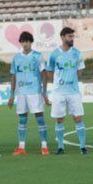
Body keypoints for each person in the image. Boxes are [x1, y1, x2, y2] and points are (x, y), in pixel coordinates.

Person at [7, 31, 50, 155]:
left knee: (40, 119)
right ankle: (21, 147)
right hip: (21, 94)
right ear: (20, 42)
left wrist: (44, 92)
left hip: (34, 92)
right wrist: (11, 95)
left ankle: (44, 146)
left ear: (31, 42)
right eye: (23, 41)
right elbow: (13, 76)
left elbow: (44, 75)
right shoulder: (16, 58)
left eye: (27, 41)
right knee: (22, 120)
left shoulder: (37, 56)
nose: (25, 44)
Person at [47, 27, 87, 155]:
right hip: (59, 92)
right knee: (59, 119)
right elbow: (49, 71)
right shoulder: (54, 54)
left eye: (72, 36)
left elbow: (80, 70)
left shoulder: (77, 53)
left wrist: (72, 79)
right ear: (63, 37)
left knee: (78, 118)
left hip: (74, 91)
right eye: (69, 36)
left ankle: (83, 147)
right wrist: (57, 83)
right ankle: (60, 147)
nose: (72, 39)